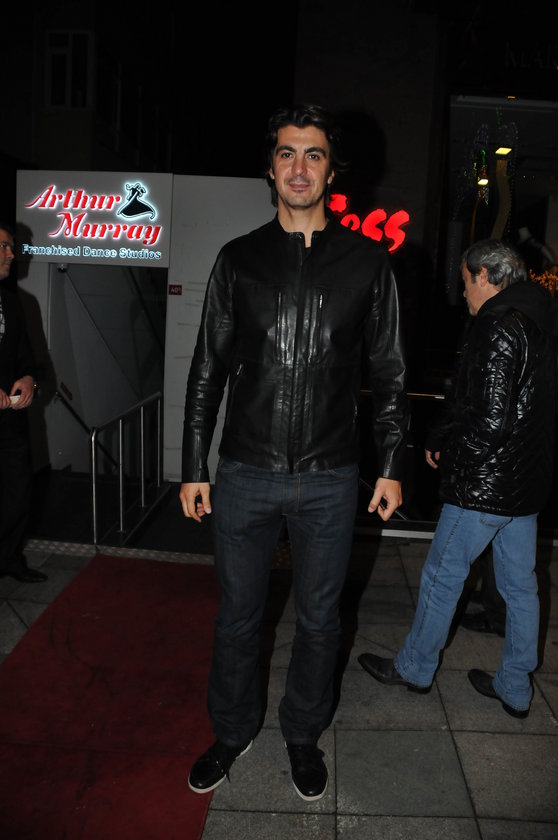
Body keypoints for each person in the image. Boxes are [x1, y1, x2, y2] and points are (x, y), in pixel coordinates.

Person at [179, 104, 409, 800]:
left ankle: (303, 735)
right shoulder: (238, 259)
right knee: (237, 618)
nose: (299, 167)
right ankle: (231, 731)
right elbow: (207, 371)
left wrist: (392, 465)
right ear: (270, 168)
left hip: (331, 476)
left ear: (332, 172)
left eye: (313, 154)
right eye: (286, 153)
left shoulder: (367, 262)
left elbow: (390, 372)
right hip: (244, 472)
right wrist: (193, 465)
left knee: (319, 621)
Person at [359, 238, 557, 718]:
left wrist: (452, 458)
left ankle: (415, 668)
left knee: (443, 576)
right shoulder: (540, 318)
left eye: (466, 280)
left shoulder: (499, 324)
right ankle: (515, 686)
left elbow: (490, 419)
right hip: (524, 483)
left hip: (486, 486)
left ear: (485, 276)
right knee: (520, 587)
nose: (463, 291)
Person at [0, 222, 47, 583]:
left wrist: (29, 379)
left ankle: (9, 560)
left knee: (18, 493)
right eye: (4, 246)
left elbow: (28, 359)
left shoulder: (14, 302)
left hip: (9, 421)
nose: (12, 254)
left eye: (12, 247)